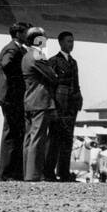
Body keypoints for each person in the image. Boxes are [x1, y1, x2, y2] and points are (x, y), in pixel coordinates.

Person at [21, 27, 62, 182]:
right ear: (38, 39)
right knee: (38, 139)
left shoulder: (26, 56)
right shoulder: (37, 54)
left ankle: (28, 173)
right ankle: (33, 175)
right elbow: (53, 76)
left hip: (30, 101)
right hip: (41, 101)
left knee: (29, 138)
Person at [0, 22, 31, 181]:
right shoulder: (12, 49)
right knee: (11, 134)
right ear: (19, 34)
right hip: (11, 97)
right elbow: (7, 64)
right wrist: (19, 79)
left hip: (14, 98)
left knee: (16, 134)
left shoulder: (19, 49)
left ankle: (14, 173)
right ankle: (7, 173)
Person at [49, 31, 83, 182]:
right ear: (61, 43)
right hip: (59, 104)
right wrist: (52, 106)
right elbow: (51, 86)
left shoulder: (73, 62)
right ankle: (49, 172)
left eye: (72, 41)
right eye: (68, 41)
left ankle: (64, 172)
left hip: (71, 105)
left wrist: (79, 99)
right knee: (55, 138)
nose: (71, 44)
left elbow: (76, 84)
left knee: (68, 139)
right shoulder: (54, 61)